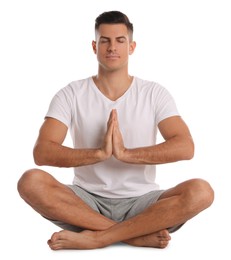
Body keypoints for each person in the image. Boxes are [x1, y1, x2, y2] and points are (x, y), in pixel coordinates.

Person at [17, 10, 214, 250]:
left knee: (202, 191)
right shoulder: (71, 93)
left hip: (143, 203)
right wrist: (99, 154)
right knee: (30, 181)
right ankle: (133, 235)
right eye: (105, 41)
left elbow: (185, 147)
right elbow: (42, 153)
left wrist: (125, 154)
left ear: (131, 47)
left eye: (120, 40)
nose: (112, 47)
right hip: (85, 202)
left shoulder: (154, 93)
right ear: (94, 46)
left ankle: (99, 237)